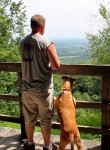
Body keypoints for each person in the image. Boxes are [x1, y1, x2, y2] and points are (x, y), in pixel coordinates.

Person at [19, 14, 60, 150]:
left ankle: (30, 143)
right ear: (43, 26)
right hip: (43, 89)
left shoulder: (22, 43)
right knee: (45, 119)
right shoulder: (47, 43)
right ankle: (47, 146)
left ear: (31, 26)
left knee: (29, 118)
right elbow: (56, 66)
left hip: (27, 88)